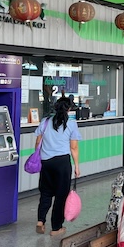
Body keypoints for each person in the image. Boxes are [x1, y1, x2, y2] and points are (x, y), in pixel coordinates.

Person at [35, 96, 81, 236]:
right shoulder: (71, 124)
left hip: (46, 162)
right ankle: (56, 228)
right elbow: (73, 147)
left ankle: (40, 221)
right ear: (69, 109)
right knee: (61, 196)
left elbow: (38, 143)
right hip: (62, 163)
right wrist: (77, 166)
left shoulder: (45, 121)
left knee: (46, 193)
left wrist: (39, 157)